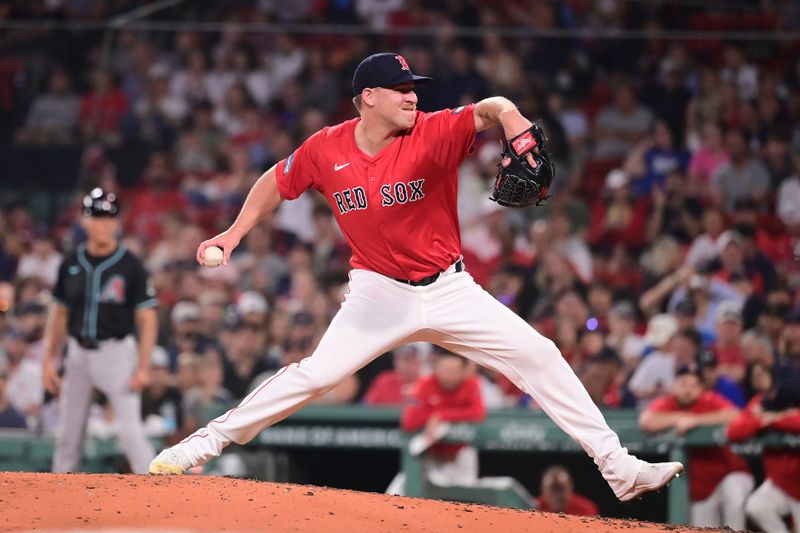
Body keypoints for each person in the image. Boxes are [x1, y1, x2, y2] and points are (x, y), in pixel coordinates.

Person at [149, 52, 683, 501]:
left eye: (414, 89)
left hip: (449, 287)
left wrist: (514, 119)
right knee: (316, 375)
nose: (412, 97)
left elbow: (490, 108)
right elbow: (276, 179)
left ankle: (620, 469)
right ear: (368, 98)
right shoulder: (326, 147)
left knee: (539, 354)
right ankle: (199, 447)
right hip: (377, 293)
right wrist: (235, 233)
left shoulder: (432, 131)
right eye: (400, 89)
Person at [41, 188, 158, 474]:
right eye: (97, 216)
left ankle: (161, 491)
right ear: (85, 220)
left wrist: (143, 367)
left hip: (116, 354)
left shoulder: (131, 266)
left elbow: (148, 319)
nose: (104, 223)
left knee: (131, 434)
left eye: (109, 217)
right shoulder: (70, 263)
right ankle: (57, 498)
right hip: (78, 354)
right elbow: (59, 314)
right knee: (68, 436)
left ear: (118, 222)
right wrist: (48, 359)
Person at [639, 365, 752, 529]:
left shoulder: (709, 399)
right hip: (700, 485)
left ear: (701, 389)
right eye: (683, 384)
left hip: (730, 472)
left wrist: (696, 420)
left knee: (733, 497)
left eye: (694, 386)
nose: (688, 390)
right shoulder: (669, 403)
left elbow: (735, 415)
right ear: (674, 386)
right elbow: (646, 421)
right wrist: (679, 417)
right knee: (703, 528)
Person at [385, 347, 485, 495]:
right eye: (445, 369)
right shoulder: (425, 384)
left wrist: (441, 415)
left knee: (466, 502)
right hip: (432, 457)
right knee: (395, 492)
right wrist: (433, 417)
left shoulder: (471, 384)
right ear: (435, 368)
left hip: (460, 455)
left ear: (463, 371)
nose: (449, 375)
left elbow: (478, 412)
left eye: (454, 370)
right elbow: (409, 421)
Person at [727, 379, 800, 533]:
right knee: (757, 505)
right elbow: (733, 431)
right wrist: (763, 421)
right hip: (782, 485)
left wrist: (775, 419)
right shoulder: (765, 413)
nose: (769, 413)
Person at [535, 465, 599, 516]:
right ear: (543, 490)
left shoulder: (586, 509)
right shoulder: (533, 508)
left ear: (570, 488)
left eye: (561, 489)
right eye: (552, 490)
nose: (557, 495)